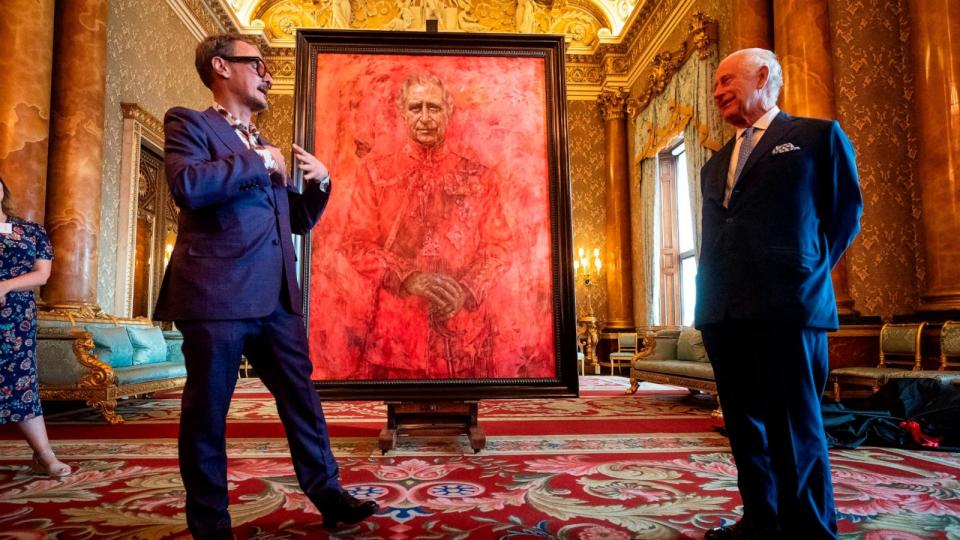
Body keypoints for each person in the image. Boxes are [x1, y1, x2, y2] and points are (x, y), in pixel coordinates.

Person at [154, 33, 378, 538]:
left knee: (302, 399)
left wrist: (320, 183)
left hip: (276, 298)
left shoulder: (264, 144)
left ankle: (330, 496)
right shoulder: (190, 123)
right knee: (208, 414)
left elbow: (292, 221)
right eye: (256, 63)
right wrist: (259, 163)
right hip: (216, 294)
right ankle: (211, 526)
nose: (267, 74)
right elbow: (187, 186)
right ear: (221, 67)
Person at [695, 48, 862, 540]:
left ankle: (810, 531)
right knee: (745, 427)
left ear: (763, 76)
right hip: (723, 310)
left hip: (788, 308)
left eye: (726, 81)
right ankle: (761, 521)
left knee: (794, 427)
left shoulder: (815, 137)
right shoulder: (716, 162)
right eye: (716, 85)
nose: (718, 91)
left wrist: (804, 272)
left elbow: (844, 215)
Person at [344, 72, 510, 380]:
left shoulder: (480, 177)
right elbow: (356, 244)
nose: (424, 117)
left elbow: (498, 247)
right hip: (398, 331)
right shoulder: (375, 174)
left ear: (449, 111)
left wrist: (466, 289)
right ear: (403, 112)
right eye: (416, 107)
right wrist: (409, 278)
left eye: (433, 107)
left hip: (464, 333)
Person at [0, 177, 70, 478]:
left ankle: (44, 456)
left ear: (3, 189)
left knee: (22, 381)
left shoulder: (30, 231)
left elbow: (42, 274)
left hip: (16, 318)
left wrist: (3, 286)